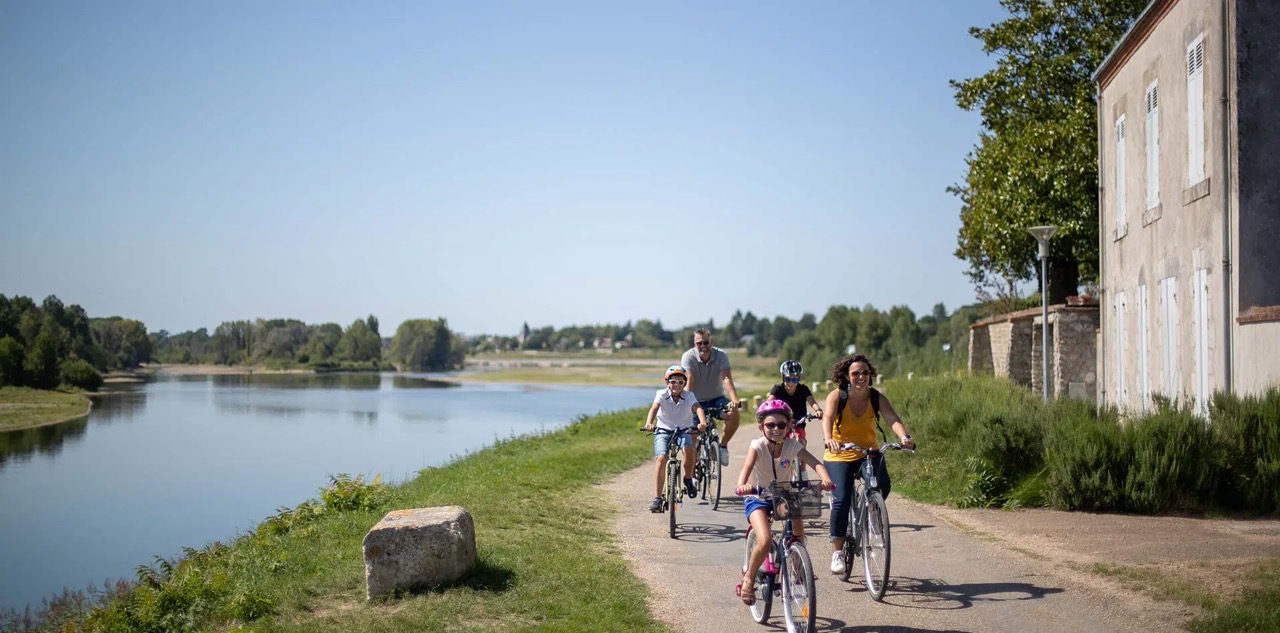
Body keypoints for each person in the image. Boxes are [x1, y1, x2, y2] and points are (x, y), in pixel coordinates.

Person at [820, 354, 916, 574]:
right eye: (855, 373)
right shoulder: (837, 396)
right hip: (840, 454)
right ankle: (837, 551)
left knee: (883, 485)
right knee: (842, 499)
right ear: (846, 376)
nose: (861, 376)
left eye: (865, 372)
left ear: (870, 375)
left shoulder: (876, 397)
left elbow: (892, 418)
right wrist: (828, 438)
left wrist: (904, 437)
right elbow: (827, 417)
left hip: (867, 452)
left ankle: (872, 511)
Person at [733, 399, 833, 605]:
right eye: (770, 425)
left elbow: (815, 462)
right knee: (766, 539)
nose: (776, 429)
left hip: (782, 496)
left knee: (798, 526)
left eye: (781, 425)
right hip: (757, 497)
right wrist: (742, 485)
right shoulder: (757, 446)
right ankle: (748, 579)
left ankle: (798, 564)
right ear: (762, 427)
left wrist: (826, 479)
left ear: (789, 426)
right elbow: (746, 468)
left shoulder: (792, 445)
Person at [643, 365, 709, 513]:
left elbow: (698, 408)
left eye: (680, 382)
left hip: (683, 429)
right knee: (661, 458)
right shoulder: (661, 394)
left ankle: (688, 478)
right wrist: (649, 423)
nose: (677, 385)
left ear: (684, 383)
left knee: (690, 449)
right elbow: (654, 408)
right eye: (673, 381)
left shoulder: (689, 395)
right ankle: (658, 498)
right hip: (663, 430)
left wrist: (702, 422)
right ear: (667, 382)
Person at [680, 329, 741, 466]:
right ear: (694, 344)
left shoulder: (721, 355)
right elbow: (689, 379)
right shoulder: (688, 356)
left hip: (716, 399)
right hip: (696, 402)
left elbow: (726, 378)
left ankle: (723, 446)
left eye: (706, 342)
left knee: (734, 414)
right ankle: (693, 469)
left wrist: (734, 399)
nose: (703, 345)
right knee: (692, 436)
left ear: (711, 342)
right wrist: (685, 403)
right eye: (699, 343)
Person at [765, 360, 823, 443]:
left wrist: (818, 410)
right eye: (787, 379)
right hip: (781, 424)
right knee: (771, 443)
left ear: (799, 379)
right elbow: (768, 403)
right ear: (783, 377)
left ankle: (801, 456)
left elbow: (812, 401)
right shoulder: (777, 389)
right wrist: (766, 413)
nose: (791, 383)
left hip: (798, 424)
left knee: (800, 441)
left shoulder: (803, 389)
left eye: (794, 380)